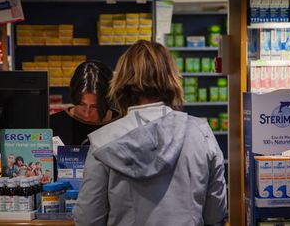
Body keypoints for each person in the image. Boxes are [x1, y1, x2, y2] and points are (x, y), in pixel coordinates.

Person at [74, 40, 227, 226]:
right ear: (171, 78)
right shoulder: (201, 133)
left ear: (121, 82)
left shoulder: (103, 141)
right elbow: (215, 213)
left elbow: (88, 219)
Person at [50, 60, 119, 145]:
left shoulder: (122, 125)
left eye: (95, 106)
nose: (87, 114)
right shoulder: (52, 125)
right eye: (82, 104)